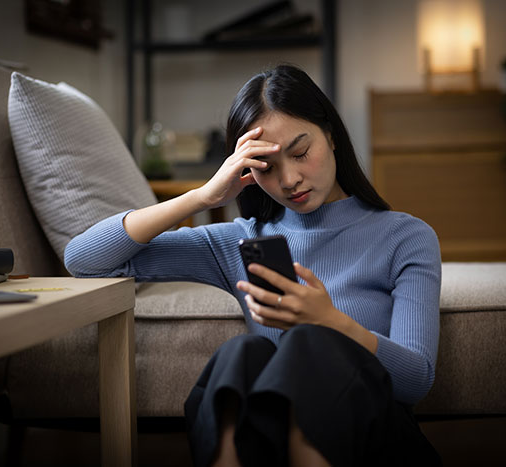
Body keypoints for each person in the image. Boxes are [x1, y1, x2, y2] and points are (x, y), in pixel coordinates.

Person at [64, 64, 442, 466]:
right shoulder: (240, 240)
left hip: (377, 441)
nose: (290, 179)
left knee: (310, 343)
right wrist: (202, 198)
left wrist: (330, 320)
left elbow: (416, 380)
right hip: (270, 445)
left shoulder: (406, 236)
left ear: (330, 134)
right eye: (266, 167)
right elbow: (84, 260)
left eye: (300, 153)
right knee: (241, 354)